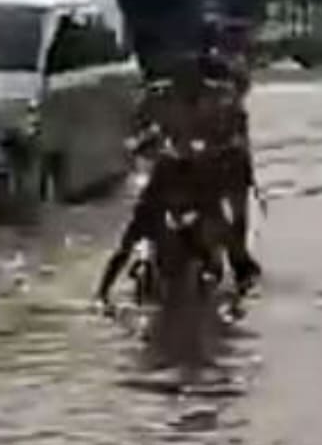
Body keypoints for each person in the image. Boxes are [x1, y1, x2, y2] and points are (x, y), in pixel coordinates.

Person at [95, 23, 261, 317]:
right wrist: (138, 144)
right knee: (132, 234)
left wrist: (227, 149)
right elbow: (137, 129)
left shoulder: (221, 97)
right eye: (181, 79)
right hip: (171, 171)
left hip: (212, 169)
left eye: (192, 80)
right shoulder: (159, 99)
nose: (187, 87)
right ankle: (105, 290)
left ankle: (240, 278)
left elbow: (238, 132)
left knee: (228, 223)